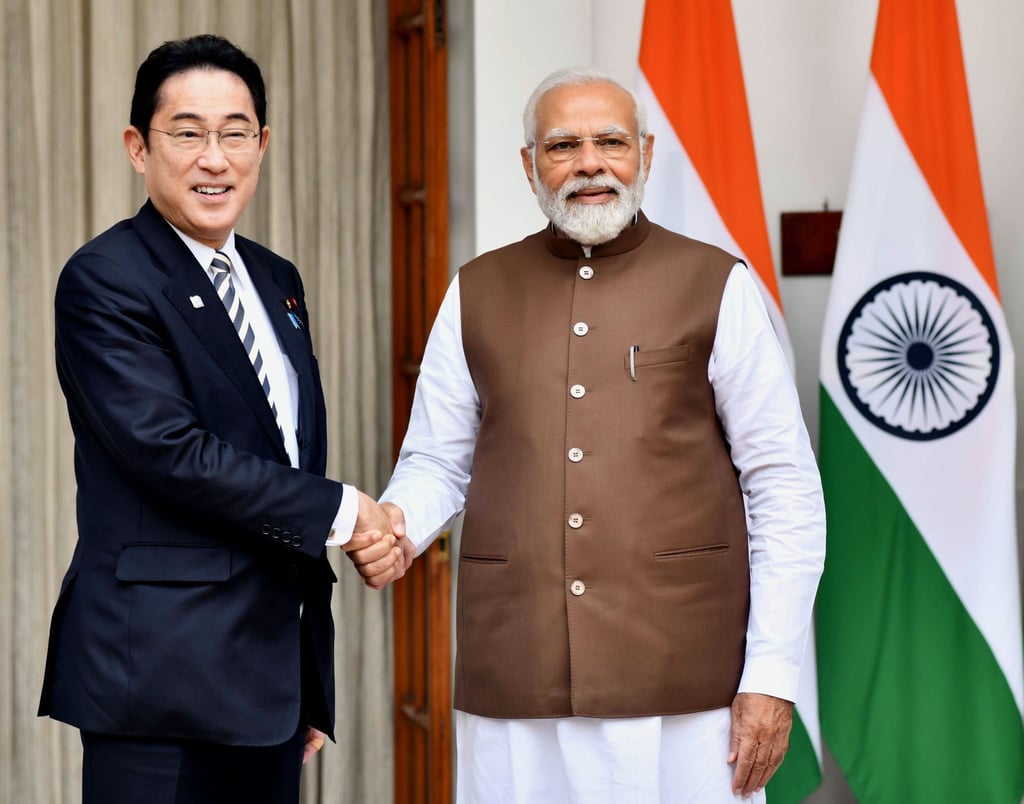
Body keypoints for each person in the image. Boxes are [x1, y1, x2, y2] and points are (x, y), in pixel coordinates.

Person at [375, 67, 826, 802]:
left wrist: (771, 675)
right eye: (563, 146)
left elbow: (783, 485)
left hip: (686, 681)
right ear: (530, 166)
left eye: (611, 142)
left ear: (644, 154)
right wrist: (397, 525)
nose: (590, 163)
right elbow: (437, 461)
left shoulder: (716, 283)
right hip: (516, 669)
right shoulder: (476, 290)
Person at [38, 34, 404, 804]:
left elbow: (286, 451)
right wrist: (347, 512)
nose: (215, 158)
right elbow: (171, 454)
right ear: (138, 148)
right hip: (160, 685)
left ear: (261, 145)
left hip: (268, 690)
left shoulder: (276, 279)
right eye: (187, 133)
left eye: (235, 133)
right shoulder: (106, 278)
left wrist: (302, 677)